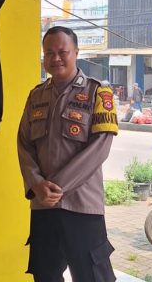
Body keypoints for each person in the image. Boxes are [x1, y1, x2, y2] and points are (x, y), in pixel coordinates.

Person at [18, 26, 117, 282]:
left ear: (76, 52)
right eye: (49, 53)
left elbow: (100, 147)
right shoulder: (36, 96)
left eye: (63, 52)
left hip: (82, 205)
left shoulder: (98, 93)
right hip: (43, 205)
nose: (56, 58)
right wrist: (36, 184)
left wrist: (56, 187)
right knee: (45, 274)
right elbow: (24, 144)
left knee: (93, 276)